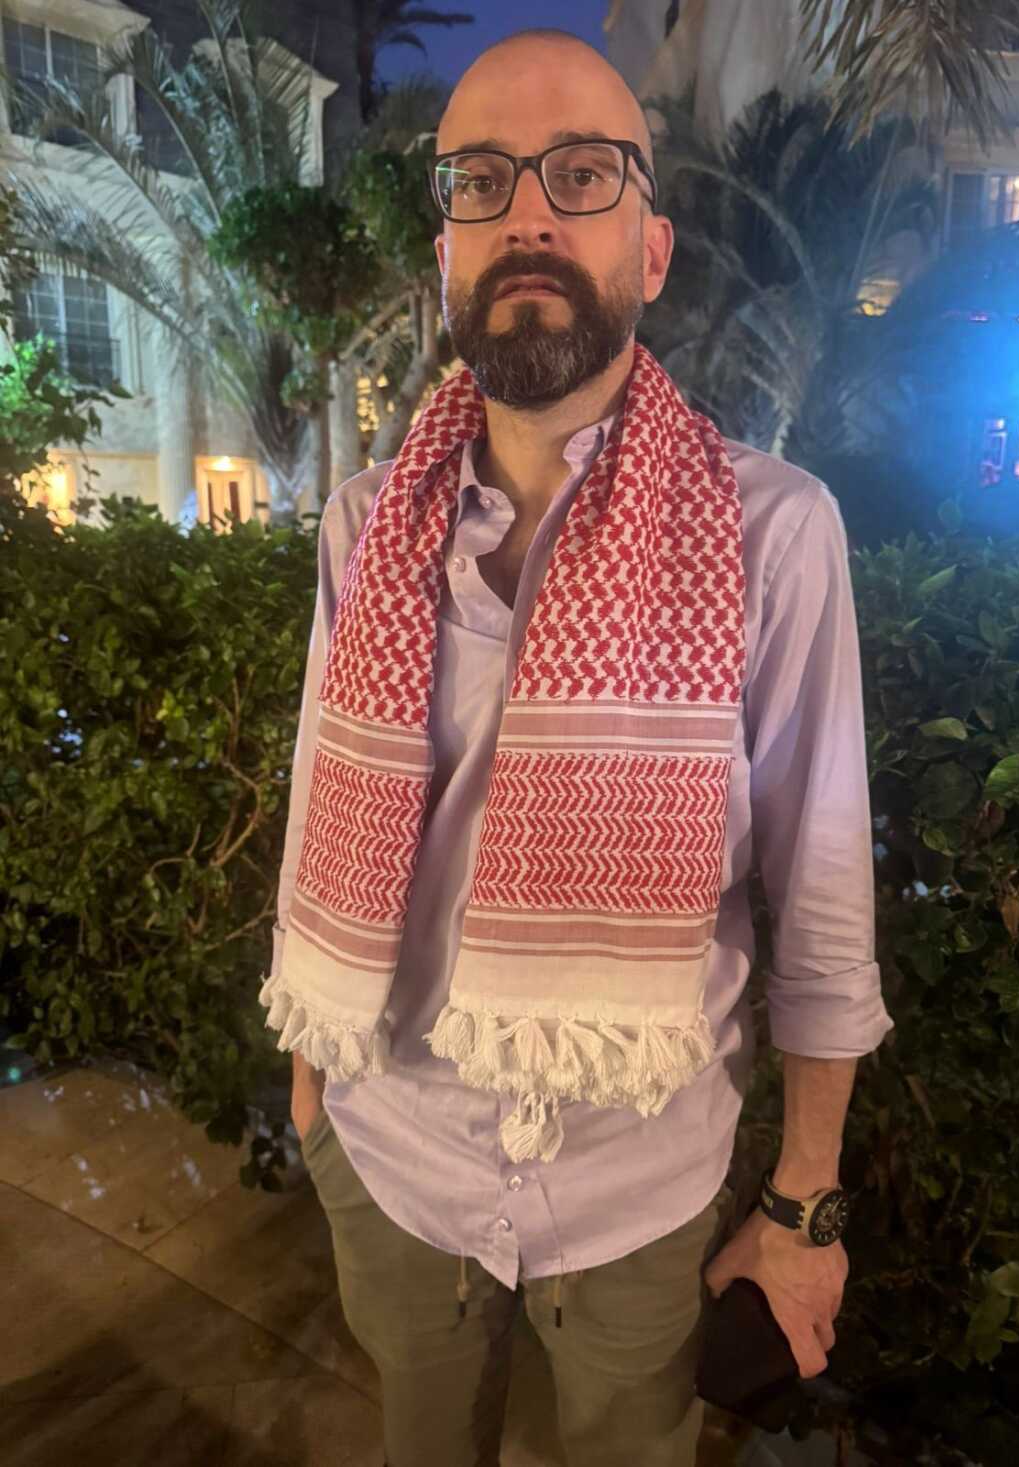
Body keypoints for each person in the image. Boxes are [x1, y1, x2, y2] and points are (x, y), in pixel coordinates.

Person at [262, 26, 895, 1467]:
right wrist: (312, 1093)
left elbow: (823, 893)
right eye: (480, 179)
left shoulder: (770, 533)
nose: (529, 212)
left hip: (637, 1182)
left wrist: (803, 1201)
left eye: (583, 173)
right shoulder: (367, 522)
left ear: (652, 250)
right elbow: (321, 809)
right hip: (391, 1155)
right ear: (444, 254)